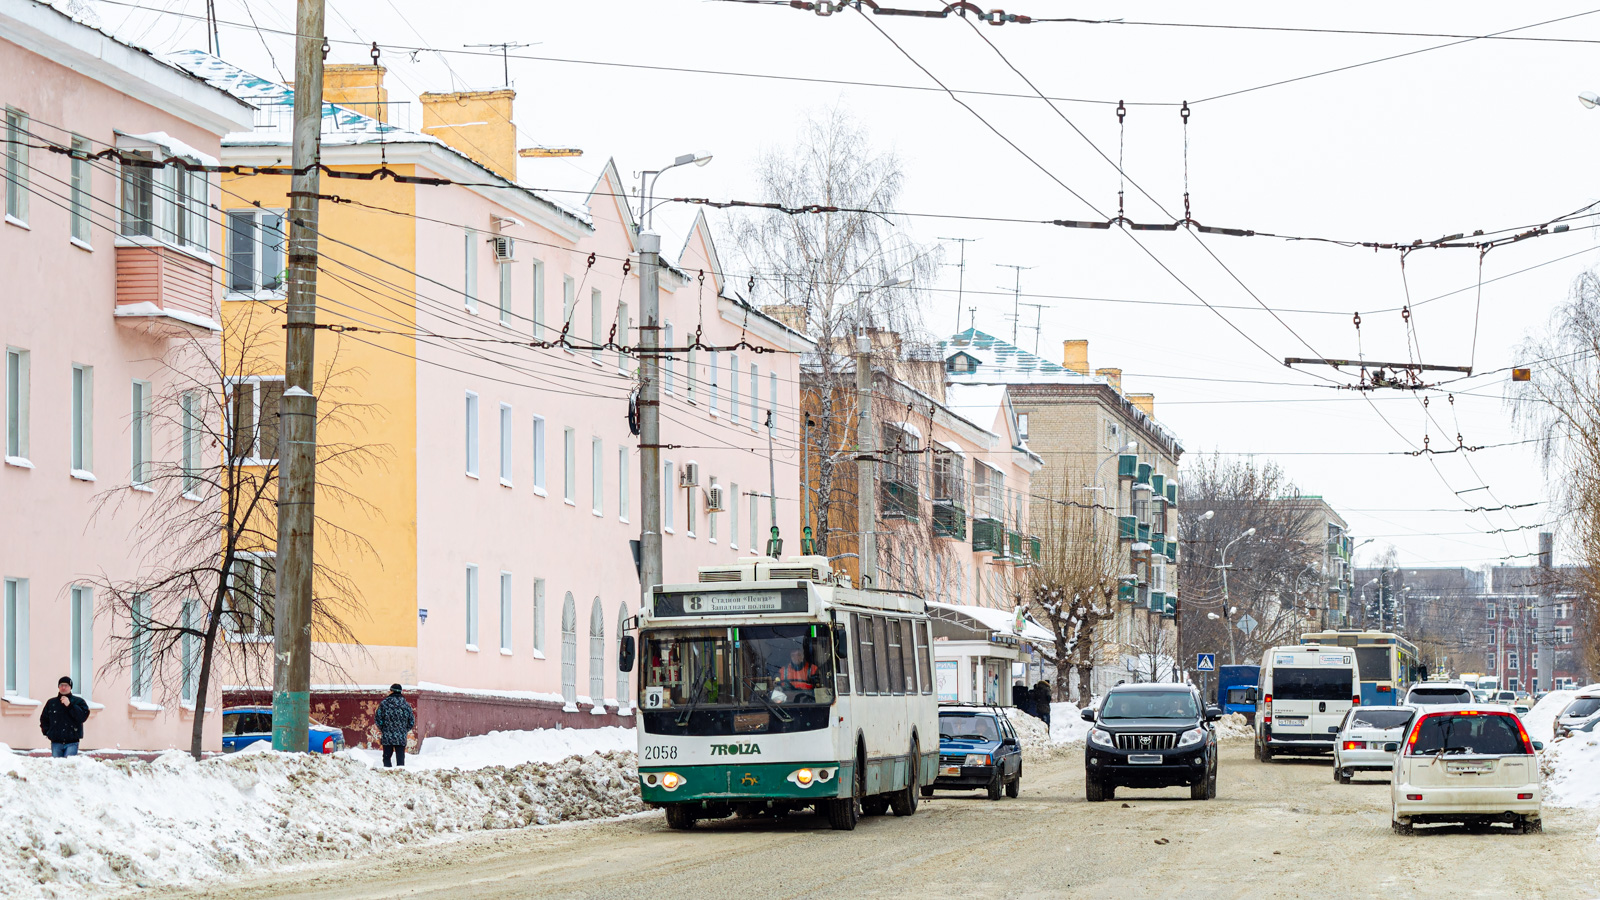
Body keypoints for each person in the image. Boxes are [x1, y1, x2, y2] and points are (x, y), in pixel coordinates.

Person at [40, 676, 90, 758]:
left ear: (70, 687)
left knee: (68, 766)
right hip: (56, 742)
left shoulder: (78, 702)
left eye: (66, 685)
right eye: (61, 685)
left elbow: (82, 717)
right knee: (57, 767)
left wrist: (70, 706)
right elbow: (44, 719)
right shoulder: (51, 703)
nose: (63, 687)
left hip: (72, 742)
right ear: (58, 687)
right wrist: (48, 732)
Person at [374, 684, 415, 768]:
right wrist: (403, 730)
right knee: (400, 759)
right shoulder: (406, 705)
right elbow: (411, 721)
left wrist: (384, 729)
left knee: (386, 758)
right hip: (401, 736)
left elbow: (378, 718)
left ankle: (387, 774)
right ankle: (400, 775)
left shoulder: (384, 704)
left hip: (387, 735)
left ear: (391, 691)